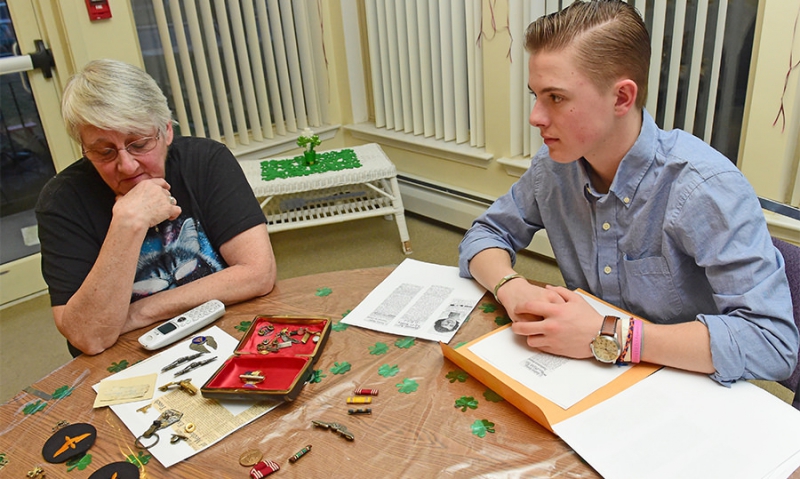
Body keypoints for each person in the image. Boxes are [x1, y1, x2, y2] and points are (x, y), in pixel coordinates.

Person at [458, 1, 798, 385]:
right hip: (588, 376)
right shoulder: (554, 168)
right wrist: (512, 288)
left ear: (621, 98)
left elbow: (773, 344)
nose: (536, 116)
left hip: (684, 390)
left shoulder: (704, 188)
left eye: (555, 97)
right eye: (534, 95)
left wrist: (612, 335)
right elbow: (485, 235)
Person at [36, 59, 277, 356]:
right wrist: (128, 222)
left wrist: (137, 313)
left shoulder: (207, 161)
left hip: (223, 331)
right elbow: (89, 336)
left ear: (166, 131)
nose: (126, 165)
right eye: (104, 152)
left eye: (138, 143)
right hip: (124, 355)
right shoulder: (61, 202)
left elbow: (257, 273)